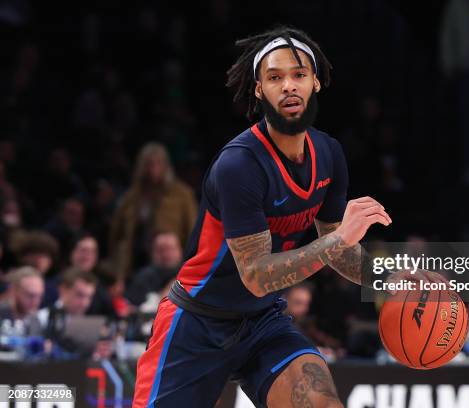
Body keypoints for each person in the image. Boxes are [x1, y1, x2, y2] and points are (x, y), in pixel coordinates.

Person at [133, 26, 440, 408]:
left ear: (316, 82)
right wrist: (339, 238)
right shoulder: (239, 165)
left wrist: (388, 278)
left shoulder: (328, 153)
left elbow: (340, 253)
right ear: (259, 90)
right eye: (275, 78)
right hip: (197, 323)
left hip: (263, 322)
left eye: (298, 75)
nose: (289, 86)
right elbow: (258, 276)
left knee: (322, 404)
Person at [109, 142, 197, 279]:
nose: (154, 169)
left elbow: (193, 232)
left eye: (158, 164)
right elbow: (118, 233)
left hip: (171, 265)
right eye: (149, 164)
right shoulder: (132, 196)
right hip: (135, 263)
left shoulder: (182, 195)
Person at [125, 231, 182, 306]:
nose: (166, 255)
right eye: (161, 250)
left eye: (170, 249)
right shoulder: (142, 278)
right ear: (152, 253)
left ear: (180, 250)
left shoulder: (189, 275)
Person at [0, 266, 44, 337]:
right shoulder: (1, 315)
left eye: (39, 296)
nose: (36, 301)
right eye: (30, 295)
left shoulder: (35, 322)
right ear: (13, 290)